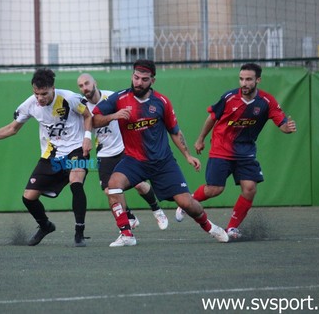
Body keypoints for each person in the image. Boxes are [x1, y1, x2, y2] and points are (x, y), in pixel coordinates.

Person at [92, 59, 229, 247]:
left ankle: (210, 227)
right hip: (134, 160)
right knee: (113, 185)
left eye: (144, 79)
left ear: (152, 81)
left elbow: (175, 132)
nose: (138, 82)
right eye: (136, 77)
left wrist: (188, 156)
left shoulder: (162, 102)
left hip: (163, 163)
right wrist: (113, 116)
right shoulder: (119, 98)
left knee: (188, 204)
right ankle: (126, 234)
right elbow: (95, 119)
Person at [0, 68, 93, 247]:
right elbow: (12, 129)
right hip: (52, 155)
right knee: (28, 197)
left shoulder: (69, 98)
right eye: (36, 93)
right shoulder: (30, 104)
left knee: (76, 182)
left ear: (53, 88)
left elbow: (88, 115)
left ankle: (79, 233)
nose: (40, 98)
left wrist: (87, 137)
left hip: (77, 149)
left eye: (44, 94)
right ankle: (45, 225)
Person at [176, 63, 297, 240]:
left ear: (258, 80)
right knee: (214, 190)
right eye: (241, 79)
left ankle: (231, 228)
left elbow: (282, 123)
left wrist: (287, 127)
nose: (244, 83)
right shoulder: (229, 97)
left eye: (248, 79)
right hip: (221, 149)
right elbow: (212, 118)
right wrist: (200, 139)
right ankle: (188, 203)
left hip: (245, 152)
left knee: (250, 189)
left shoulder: (267, 101)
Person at [77, 73, 168, 230]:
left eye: (87, 83)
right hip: (104, 152)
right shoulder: (82, 107)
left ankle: (157, 210)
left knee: (139, 184)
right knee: (109, 191)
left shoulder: (112, 97)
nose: (85, 88)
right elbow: (87, 126)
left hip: (124, 148)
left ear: (95, 82)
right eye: (81, 86)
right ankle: (130, 217)